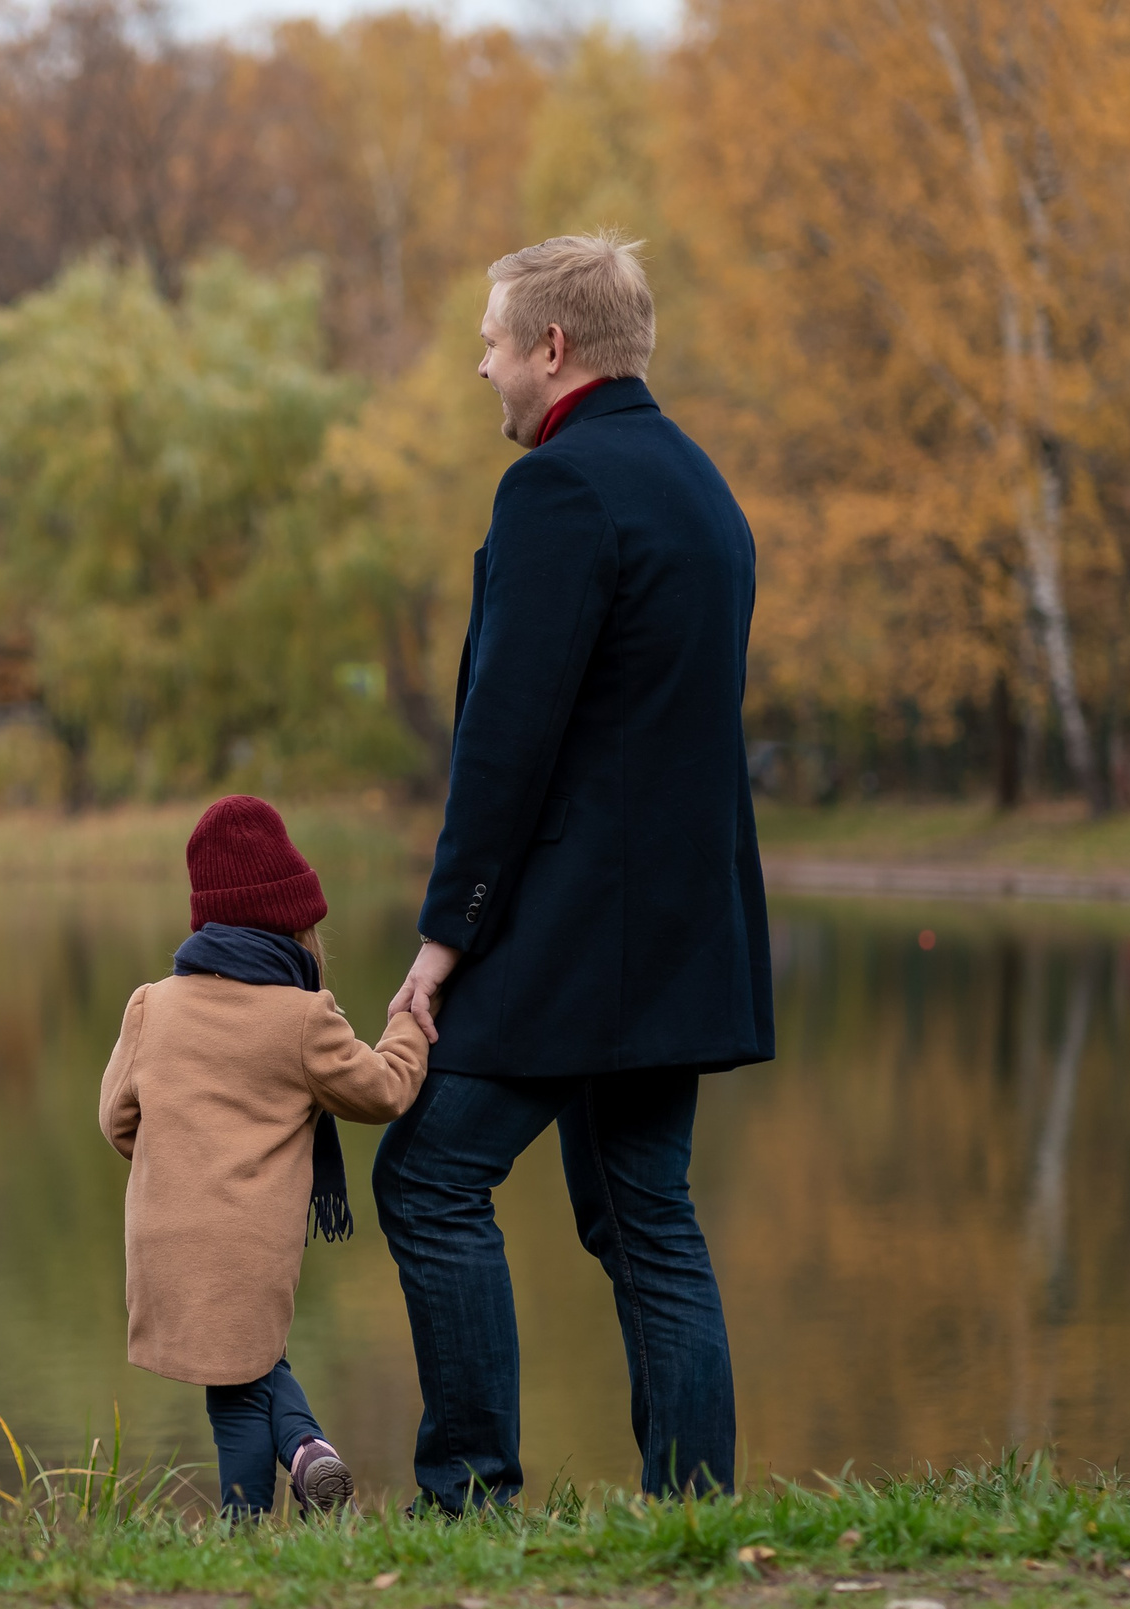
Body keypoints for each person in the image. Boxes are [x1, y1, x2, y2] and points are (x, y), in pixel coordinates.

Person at [377, 232, 774, 1513]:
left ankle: (469, 1497)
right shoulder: (701, 488)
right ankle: (692, 1510)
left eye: (490, 343)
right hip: (680, 932)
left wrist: (444, 938)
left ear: (551, 348)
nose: (480, 368)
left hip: (570, 937)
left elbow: (508, 740)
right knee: (645, 1215)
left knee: (428, 1178)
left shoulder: (557, 489)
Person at [98, 796, 428, 1517]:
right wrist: (408, 1022)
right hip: (249, 1240)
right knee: (243, 1379)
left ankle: (286, 1477)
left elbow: (116, 1118)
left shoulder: (152, 1004)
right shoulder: (303, 1018)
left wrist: (174, 1159)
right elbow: (385, 1091)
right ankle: (276, 1484)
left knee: (242, 1379)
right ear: (296, 921)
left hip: (162, 1234)